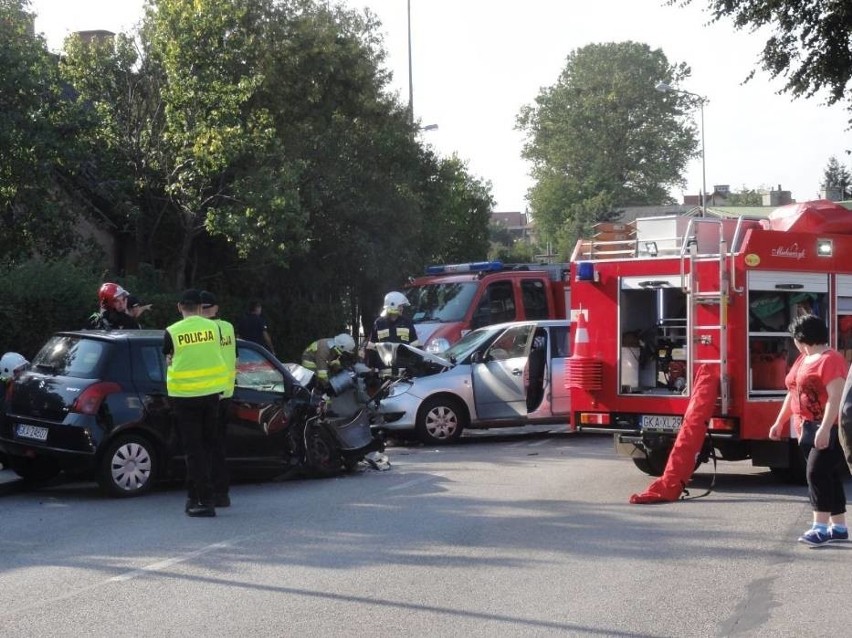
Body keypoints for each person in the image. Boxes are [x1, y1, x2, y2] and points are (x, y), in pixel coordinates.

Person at [768, 313, 848, 546]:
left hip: (828, 427)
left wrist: (824, 429)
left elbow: (835, 398)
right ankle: (839, 527)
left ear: (801, 337)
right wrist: (780, 421)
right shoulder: (803, 359)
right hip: (806, 427)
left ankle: (819, 528)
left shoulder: (830, 359)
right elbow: (793, 393)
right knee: (829, 475)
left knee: (816, 473)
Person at [163, 289, 229, 518]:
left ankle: (204, 500)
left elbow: (168, 359)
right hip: (211, 395)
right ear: (201, 308)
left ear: (179, 307)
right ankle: (194, 496)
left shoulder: (172, 331)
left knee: (194, 451)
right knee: (206, 449)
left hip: (184, 398)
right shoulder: (214, 328)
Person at [200, 290, 237, 508]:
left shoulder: (203, 330)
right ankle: (221, 492)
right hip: (226, 394)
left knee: (204, 447)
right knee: (218, 447)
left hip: (208, 393)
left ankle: (207, 492)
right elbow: (236, 357)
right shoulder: (229, 328)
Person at [365, 291, 420, 370]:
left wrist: (415, 366)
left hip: (403, 370)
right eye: (400, 306)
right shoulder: (379, 323)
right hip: (383, 370)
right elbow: (371, 347)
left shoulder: (407, 323)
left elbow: (415, 346)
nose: (402, 308)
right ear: (392, 305)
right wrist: (372, 367)